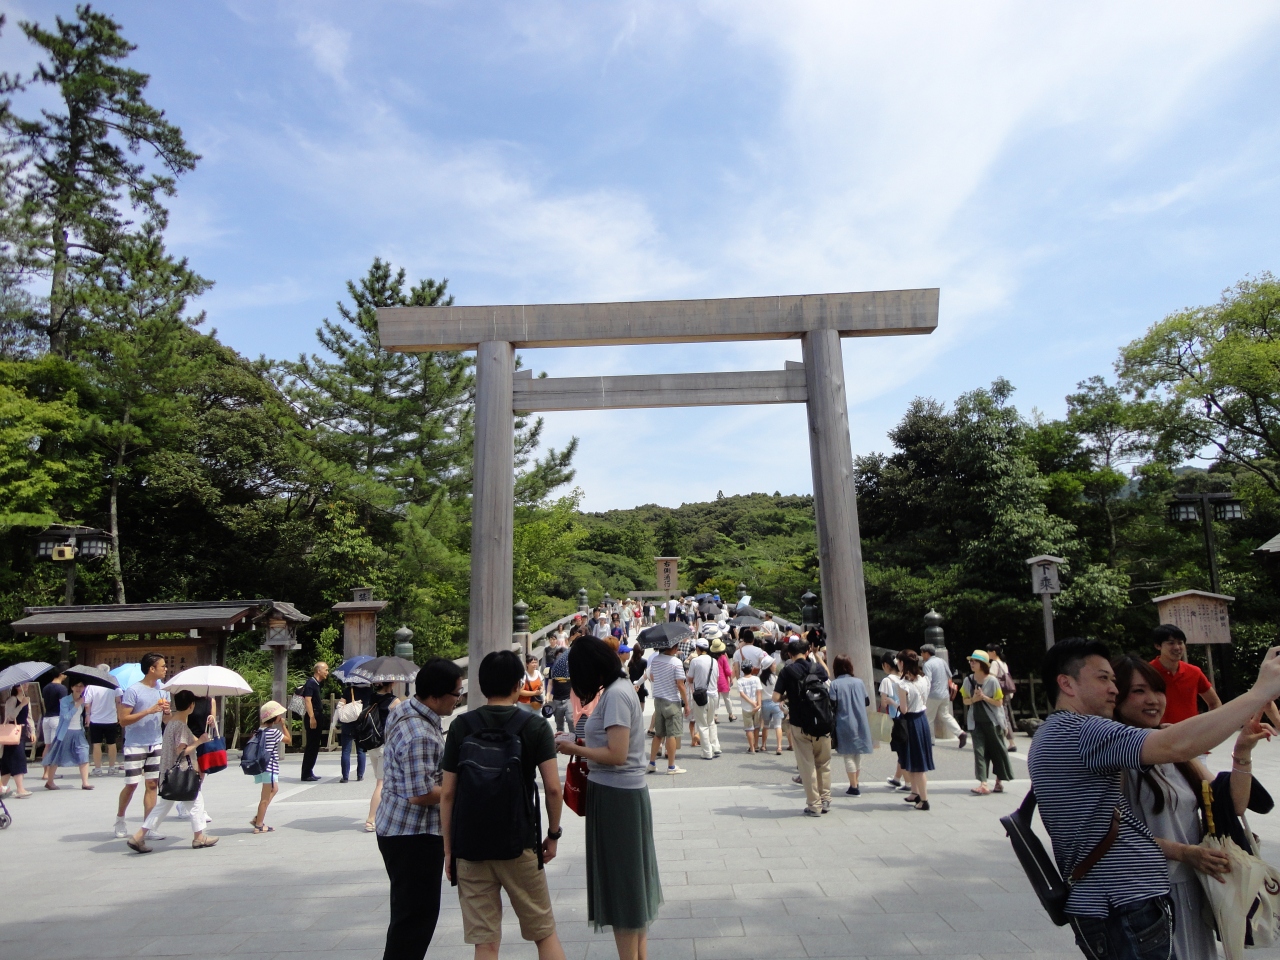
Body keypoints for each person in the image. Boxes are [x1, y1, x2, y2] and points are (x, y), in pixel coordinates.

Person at [1027, 637, 1280, 960]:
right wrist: (1259, 692)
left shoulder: (1062, 733)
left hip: (1125, 901)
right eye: (1102, 678)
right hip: (1122, 903)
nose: (1113, 689)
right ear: (1067, 683)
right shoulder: (1082, 731)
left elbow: (1200, 772)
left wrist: (1240, 752)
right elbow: (1176, 744)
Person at [1111, 655, 1272, 960]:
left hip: (1193, 885)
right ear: (1116, 698)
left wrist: (1242, 752)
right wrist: (1185, 852)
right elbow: (1114, 835)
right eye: (1139, 691)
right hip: (1148, 895)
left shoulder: (1173, 745)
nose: (1153, 700)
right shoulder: (1115, 758)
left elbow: (1231, 805)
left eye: (1157, 690)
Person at [440, 651, 566, 960]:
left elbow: (447, 794)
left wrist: (448, 849)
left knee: (485, 943)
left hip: (471, 847)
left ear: (482, 687)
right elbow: (552, 788)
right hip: (519, 841)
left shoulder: (461, 726)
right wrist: (553, 834)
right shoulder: (534, 726)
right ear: (518, 684)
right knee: (544, 933)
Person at [556, 637, 662, 960]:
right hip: (619, 795)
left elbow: (616, 754)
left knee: (622, 888)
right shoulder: (619, 689)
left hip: (617, 797)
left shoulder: (615, 695)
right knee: (629, 884)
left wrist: (573, 748)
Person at [376, 657, 463, 960]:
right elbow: (421, 793)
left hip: (396, 826)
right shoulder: (420, 735)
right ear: (436, 695)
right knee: (416, 919)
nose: (458, 700)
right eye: (456, 694)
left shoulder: (405, 708)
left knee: (407, 914)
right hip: (413, 835)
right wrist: (461, 790)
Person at [126, 690, 218, 853]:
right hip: (183, 773)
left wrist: (203, 736)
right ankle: (198, 837)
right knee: (196, 803)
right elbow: (182, 751)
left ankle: (139, 836)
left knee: (163, 806)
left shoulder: (172, 723)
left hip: (169, 773)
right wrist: (199, 743)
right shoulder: (181, 726)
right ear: (191, 706)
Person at [773, 638, 832, 816]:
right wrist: (817, 656)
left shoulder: (787, 671)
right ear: (807, 652)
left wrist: (786, 697)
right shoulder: (817, 668)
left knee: (807, 766)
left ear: (789, 655)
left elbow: (775, 698)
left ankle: (814, 805)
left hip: (800, 724)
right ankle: (826, 799)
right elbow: (828, 676)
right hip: (823, 722)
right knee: (824, 763)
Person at [115, 653, 170, 838]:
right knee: (131, 784)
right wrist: (148, 710)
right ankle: (120, 818)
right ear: (151, 669)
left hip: (156, 742)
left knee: (153, 784)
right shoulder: (133, 690)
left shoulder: (164, 690)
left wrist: (167, 712)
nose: (165, 669)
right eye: (162, 666)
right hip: (135, 744)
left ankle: (149, 826)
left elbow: (167, 719)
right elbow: (123, 720)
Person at [960, 650, 1014, 796]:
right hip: (976, 722)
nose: (972, 664)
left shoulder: (992, 680)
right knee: (979, 752)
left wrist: (984, 697)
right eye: (971, 661)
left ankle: (999, 781)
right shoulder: (968, 680)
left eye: (975, 661)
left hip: (993, 722)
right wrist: (973, 700)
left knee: (997, 750)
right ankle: (983, 783)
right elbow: (965, 700)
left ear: (983, 664)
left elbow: (999, 702)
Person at [1150, 624, 1222, 724]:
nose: (1177, 647)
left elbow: (1214, 703)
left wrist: (1207, 726)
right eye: (1171, 643)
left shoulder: (1194, 672)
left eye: (1180, 643)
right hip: (1158, 736)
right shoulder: (1147, 672)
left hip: (1191, 735)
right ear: (1158, 646)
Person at [892, 650, 934, 811]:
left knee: (917, 763)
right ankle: (915, 793)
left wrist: (892, 703)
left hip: (910, 721)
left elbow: (903, 709)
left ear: (902, 663)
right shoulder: (924, 679)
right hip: (921, 719)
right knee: (915, 759)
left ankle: (924, 799)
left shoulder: (903, 685)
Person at [645, 637, 689, 775]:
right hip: (672, 701)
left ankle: (651, 763)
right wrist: (686, 703)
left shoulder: (656, 659)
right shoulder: (676, 662)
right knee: (672, 734)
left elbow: (652, 676)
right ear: (674, 648)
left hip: (658, 700)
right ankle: (671, 766)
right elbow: (680, 685)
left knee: (658, 734)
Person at [830, 656, 872, 796]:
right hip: (861, 720)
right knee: (857, 753)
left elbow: (832, 704)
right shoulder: (859, 682)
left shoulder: (835, 684)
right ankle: (855, 782)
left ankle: (854, 787)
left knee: (848, 755)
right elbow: (867, 701)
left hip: (844, 721)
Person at [364, 680, 401, 833]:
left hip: (372, 745)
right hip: (385, 746)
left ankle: (383, 816)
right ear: (391, 684)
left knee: (382, 782)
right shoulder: (394, 701)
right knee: (381, 784)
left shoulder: (371, 698)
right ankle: (371, 819)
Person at [250, 700, 292, 833]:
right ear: (275, 718)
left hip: (261, 767)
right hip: (270, 767)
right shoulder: (273, 732)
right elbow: (288, 740)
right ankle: (259, 824)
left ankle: (258, 818)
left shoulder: (258, 732)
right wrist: (283, 725)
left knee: (274, 789)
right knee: (265, 797)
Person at [44, 679, 93, 790]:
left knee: (83, 753)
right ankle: (50, 781)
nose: (79, 688)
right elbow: (65, 717)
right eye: (76, 685)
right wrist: (76, 705)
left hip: (79, 732)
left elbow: (81, 715)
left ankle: (85, 782)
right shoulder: (65, 700)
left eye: (81, 686)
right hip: (65, 732)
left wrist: (87, 714)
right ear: (71, 687)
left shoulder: (83, 700)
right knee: (56, 757)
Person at [919, 645, 963, 746]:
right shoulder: (942, 661)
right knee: (945, 715)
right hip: (944, 694)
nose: (921, 655)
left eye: (922, 653)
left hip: (933, 694)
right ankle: (960, 733)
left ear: (926, 653)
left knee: (928, 718)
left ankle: (930, 740)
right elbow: (949, 675)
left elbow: (928, 680)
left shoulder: (927, 664)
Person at [686, 639, 721, 761]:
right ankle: (715, 746)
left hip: (701, 695)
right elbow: (717, 677)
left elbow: (689, 679)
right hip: (713, 694)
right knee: (711, 722)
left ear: (698, 648)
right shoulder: (714, 661)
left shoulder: (695, 661)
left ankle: (707, 752)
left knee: (702, 724)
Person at [84, 665, 122, 776]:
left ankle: (98, 769)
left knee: (96, 744)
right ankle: (111, 767)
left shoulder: (91, 686)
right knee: (112, 743)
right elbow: (119, 701)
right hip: (111, 719)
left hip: (95, 719)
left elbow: (87, 704)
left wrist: (87, 716)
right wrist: (119, 715)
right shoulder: (114, 685)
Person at [879, 653, 909, 791]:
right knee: (903, 748)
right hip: (907, 717)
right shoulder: (904, 678)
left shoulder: (887, 681)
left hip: (896, 718)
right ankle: (897, 778)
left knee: (901, 751)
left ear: (886, 665)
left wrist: (890, 701)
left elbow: (884, 703)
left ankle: (908, 783)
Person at [1, 686, 34, 798]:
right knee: (18, 759)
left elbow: (29, 717)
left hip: (22, 731)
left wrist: (32, 731)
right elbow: (10, 716)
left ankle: (1, 787)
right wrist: (21, 705)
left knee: (8, 762)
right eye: (22, 684)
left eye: (26, 683)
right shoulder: (12, 699)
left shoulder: (26, 699)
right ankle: (20, 789)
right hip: (13, 733)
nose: (25, 686)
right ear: (16, 687)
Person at [985, 642, 1018, 752]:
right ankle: (1005, 741)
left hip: (999, 694)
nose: (987, 653)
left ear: (993, 652)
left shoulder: (994, 663)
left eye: (988, 651)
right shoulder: (1003, 663)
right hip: (1006, 693)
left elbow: (992, 679)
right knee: (1003, 715)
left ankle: (1010, 742)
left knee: (1001, 716)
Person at [300, 661, 329, 782]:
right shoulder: (311, 683)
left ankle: (309, 770)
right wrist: (312, 717)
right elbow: (308, 700)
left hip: (317, 715)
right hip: (313, 715)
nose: (327, 672)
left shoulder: (316, 684)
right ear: (318, 670)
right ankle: (306, 773)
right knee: (312, 745)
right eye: (326, 670)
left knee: (315, 744)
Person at [339, 681, 371, 784]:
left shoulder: (349, 689)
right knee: (361, 750)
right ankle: (360, 775)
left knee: (346, 751)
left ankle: (345, 777)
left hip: (348, 724)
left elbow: (341, 704)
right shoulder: (369, 690)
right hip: (362, 724)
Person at [39, 669, 66, 765]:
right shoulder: (61, 688)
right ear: (60, 674)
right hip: (56, 718)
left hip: (46, 718)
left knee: (47, 746)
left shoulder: (46, 687)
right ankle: (51, 773)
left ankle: (45, 772)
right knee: (54, 746)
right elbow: (63, 705)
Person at [736, 663, 764, 753]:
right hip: (756, 706)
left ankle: (751, 747)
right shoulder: (756, 679)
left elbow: (742, 694)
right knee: (756, 727)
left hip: (746, 707)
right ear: (752, 669)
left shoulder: (740, 681)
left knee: (749, 728)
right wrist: (758, 704)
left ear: (742, 670)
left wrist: (751, 702)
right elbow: (759, 692)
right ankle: (756, 745)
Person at [548, 642, 573, 734]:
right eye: (558, 657)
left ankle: (573, 741)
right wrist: (548, 695)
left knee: (571, 720)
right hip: (557, 700)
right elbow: (550, 683)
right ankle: (561, 744)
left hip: (569, 699)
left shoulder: (571, 669)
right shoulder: (552, 670)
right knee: (559, 724)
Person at [710, 635, 735, 723]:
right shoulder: (723, 657)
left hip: (714, 680)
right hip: (723, 681)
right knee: (727, 699)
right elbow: (727, 670)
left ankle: (715, 716)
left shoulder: (712, 658)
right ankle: (731, 714)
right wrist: (731, 678)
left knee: (716, 699)